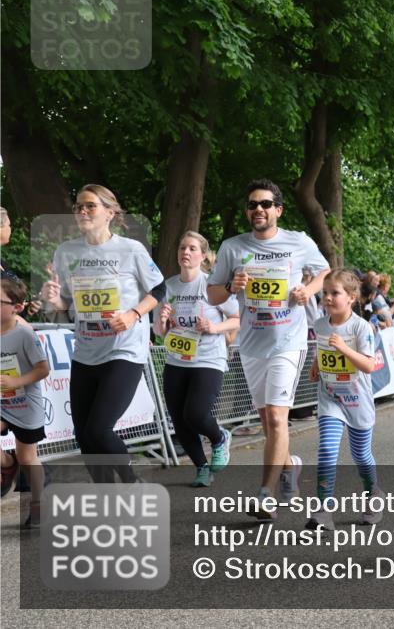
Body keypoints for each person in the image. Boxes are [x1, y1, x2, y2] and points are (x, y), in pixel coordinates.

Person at [207, 179, 330, 519]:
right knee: (268, 421)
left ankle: (266, 495)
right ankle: (290, 465)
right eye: (252, 205)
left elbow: (324, 272)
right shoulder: (232, 247)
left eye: (265, 204)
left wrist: (308, 290)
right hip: (251, 344)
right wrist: (231, 286)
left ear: (278, 210)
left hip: (288, 342)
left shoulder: (298, 241)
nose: (258, 209)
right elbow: (213, 295)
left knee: (277, 417)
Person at [40, 184, 165, 483]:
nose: (82, 211)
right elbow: (66, 305)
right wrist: (54, 299)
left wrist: (133, 314)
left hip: (124, 349)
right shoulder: (66, 252)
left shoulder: (131, 249)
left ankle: (131, 481)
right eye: (78, 206)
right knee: (84, 436)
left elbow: (160, 288)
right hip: (86, 351)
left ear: (110, 212)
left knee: (98, 429)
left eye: (90, 206)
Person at [154, 232, 239, 488]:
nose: (186, 252)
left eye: (192, 248)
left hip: (208, 359)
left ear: (202, 255)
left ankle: (219, 437)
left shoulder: (211, 286)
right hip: (177, 360)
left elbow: (237, 318)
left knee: (196, 413)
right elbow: (159, 332)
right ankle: (202, 467)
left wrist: (214, 327)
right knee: (179, 420)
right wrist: (163, 321)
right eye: (182, 247)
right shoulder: (168, 286)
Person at [307, 269, 383, 530]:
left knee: (361, 456)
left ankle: (373, 493)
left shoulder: (361, 327)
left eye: (335, 293)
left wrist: (343, 348)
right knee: (327, 450)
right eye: (325, 292)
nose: (327, 297)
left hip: (358, 401)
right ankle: (323, 511)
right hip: (331, 399)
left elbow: (369, 365)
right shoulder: (320, 325)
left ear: (351, 297)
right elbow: (323, 349)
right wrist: (317, 364)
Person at [0, 275, 51, 527]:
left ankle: (39, 504)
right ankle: (8, 465)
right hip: (2, 403)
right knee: (19, 458)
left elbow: (43, 369)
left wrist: (16, 382)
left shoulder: (24, 335)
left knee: (28, 457)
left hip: (26, 405)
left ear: (16, 307)